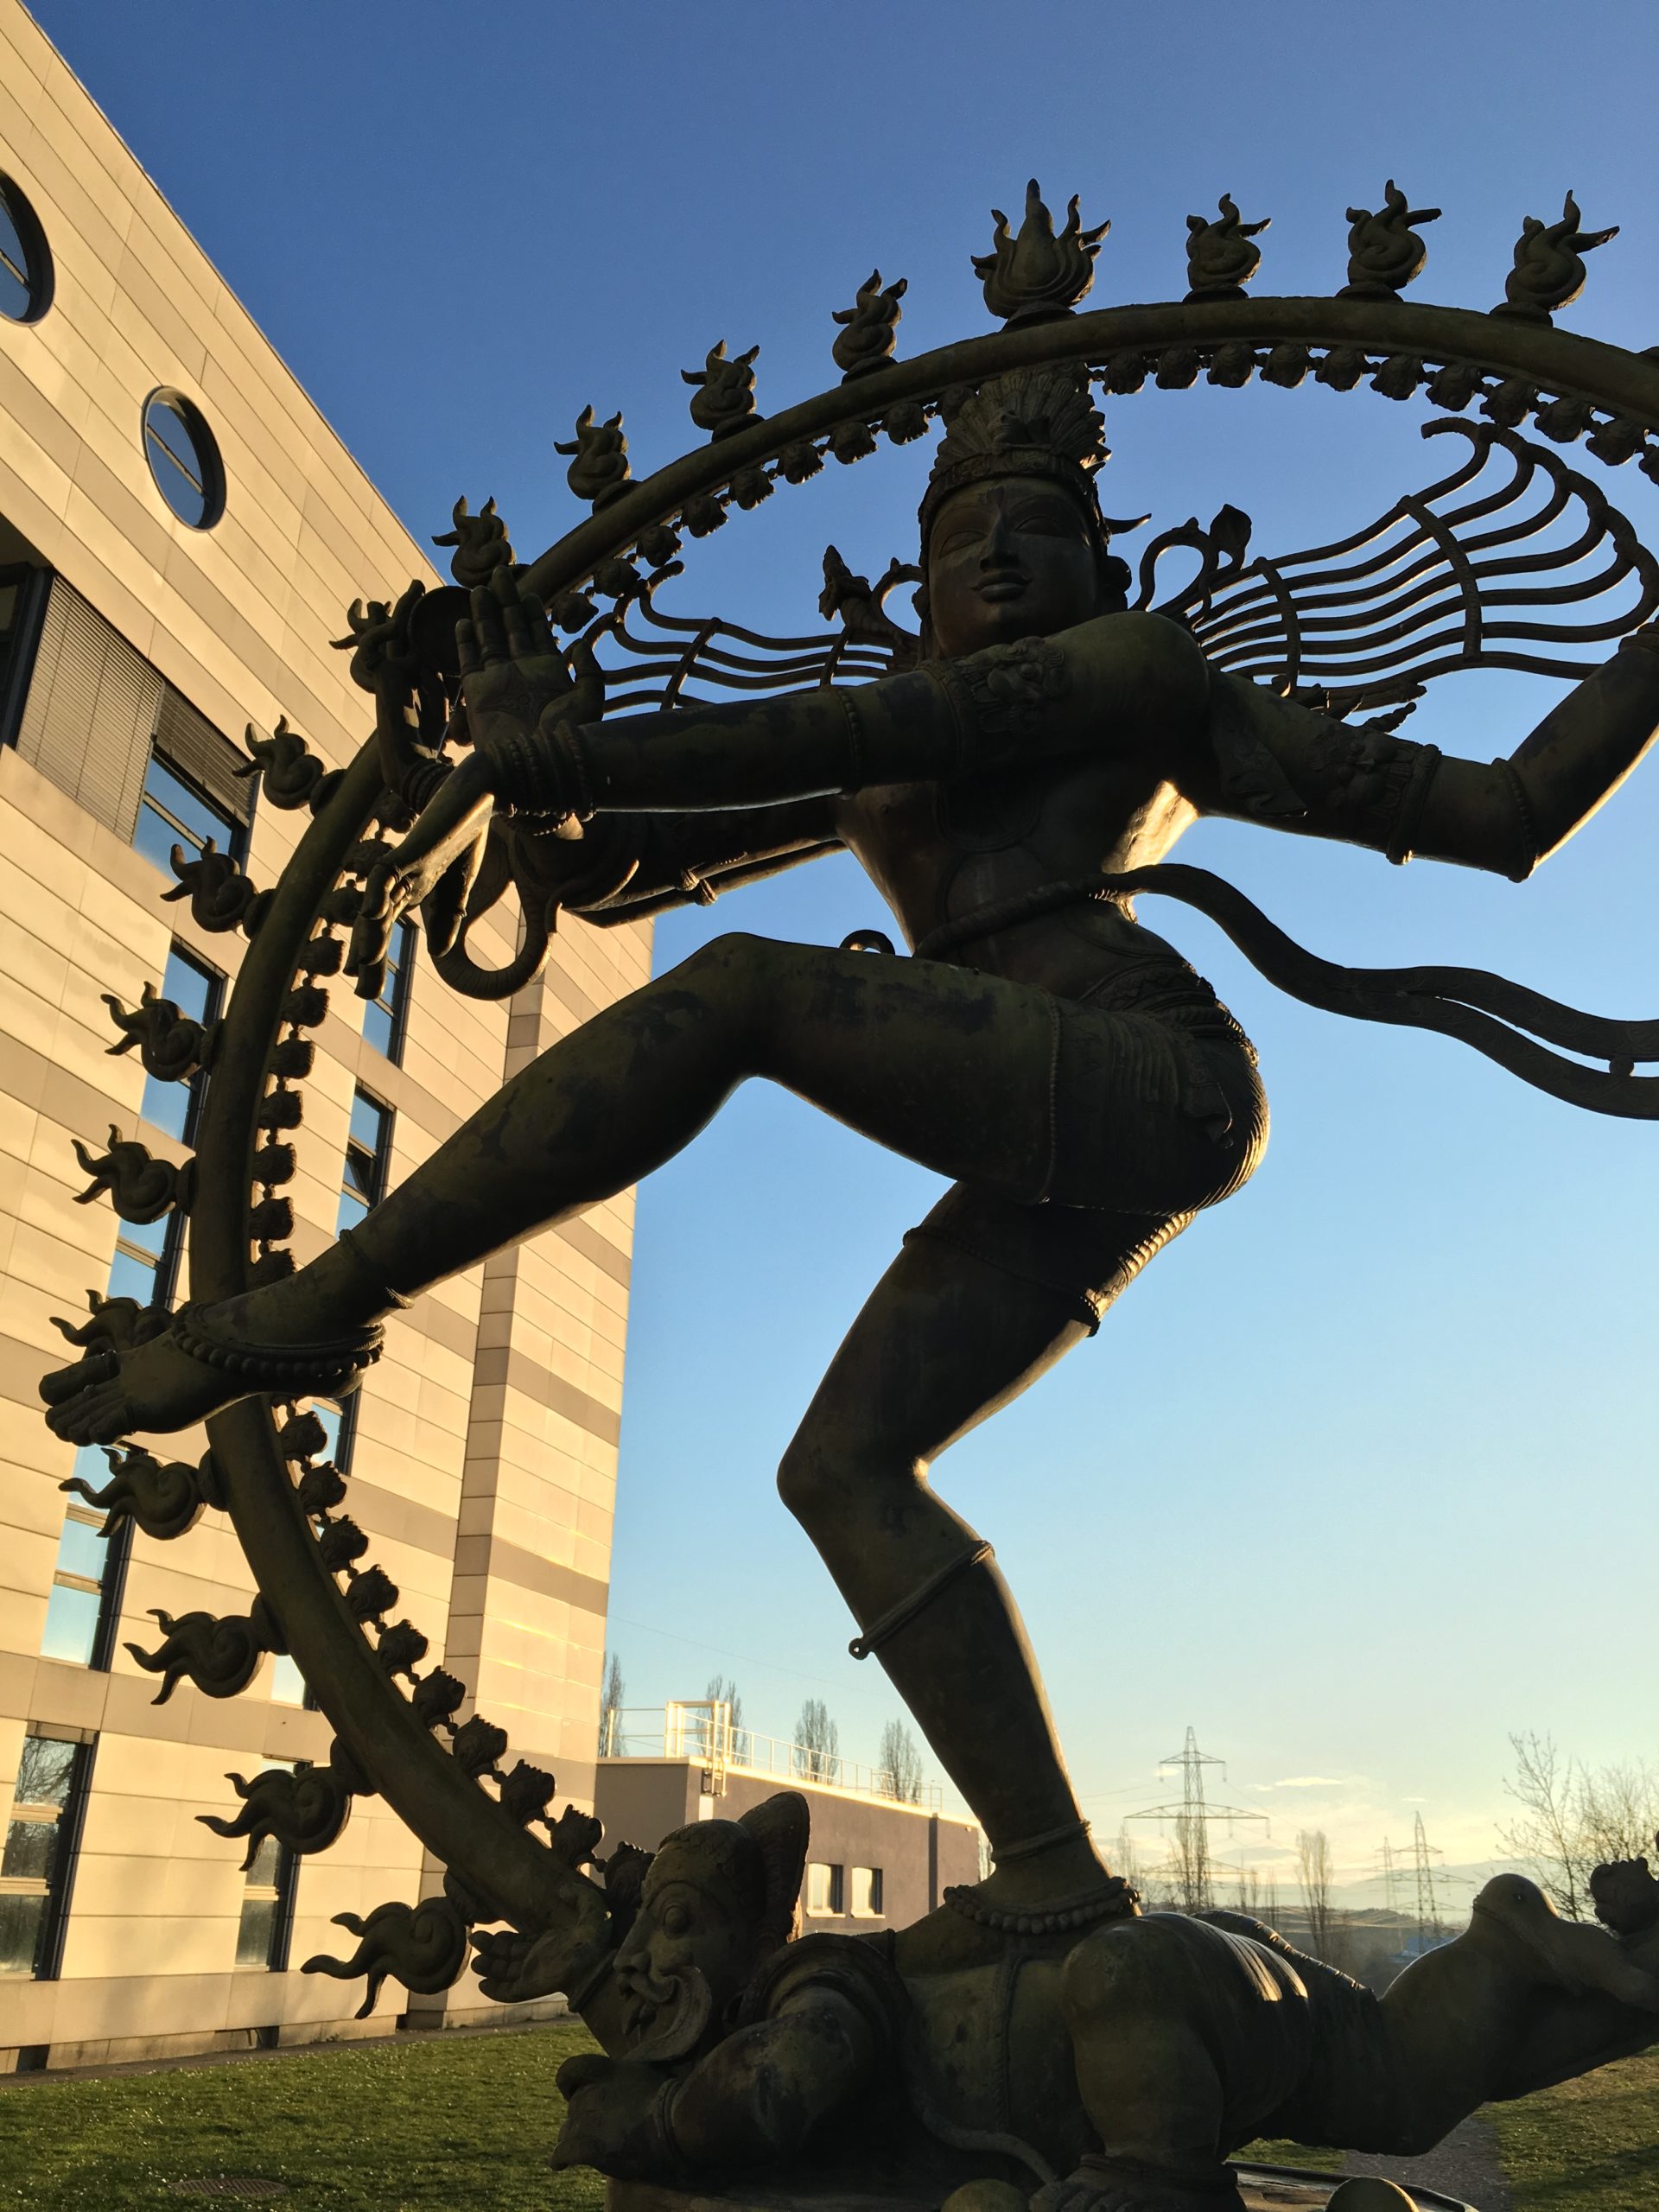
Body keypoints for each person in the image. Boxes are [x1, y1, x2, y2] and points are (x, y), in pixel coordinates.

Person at [42, 367, 1659, 1925]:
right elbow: (618, 870)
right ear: (923, 576)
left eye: (1040, 533)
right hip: (1048, 1138)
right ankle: (1048, 1874)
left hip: (1149, 1074)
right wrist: (523, 748)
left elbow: (1507, 811)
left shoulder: (1135, 676)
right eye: (966, 546)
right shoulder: (882, 741)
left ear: (1103, 561)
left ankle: (327, 1302)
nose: (1007, 564)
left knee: (741, 997)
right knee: (841, 1466)